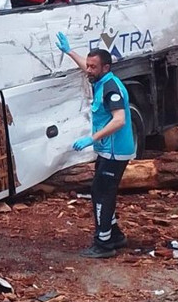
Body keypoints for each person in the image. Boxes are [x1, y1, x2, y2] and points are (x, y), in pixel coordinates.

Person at [56, 32, 136, 258]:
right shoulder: (101, 79)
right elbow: (87, 66)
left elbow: (119, 119)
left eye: (93, 67)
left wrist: (91, 139)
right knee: (101, 191)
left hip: (114, 151)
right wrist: (69, 51)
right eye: (88, 66)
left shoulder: (111, 89)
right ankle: (115, 235)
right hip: (108, 150)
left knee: (102, 194)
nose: (88, 70)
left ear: (106, 68)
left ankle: (103, 244)